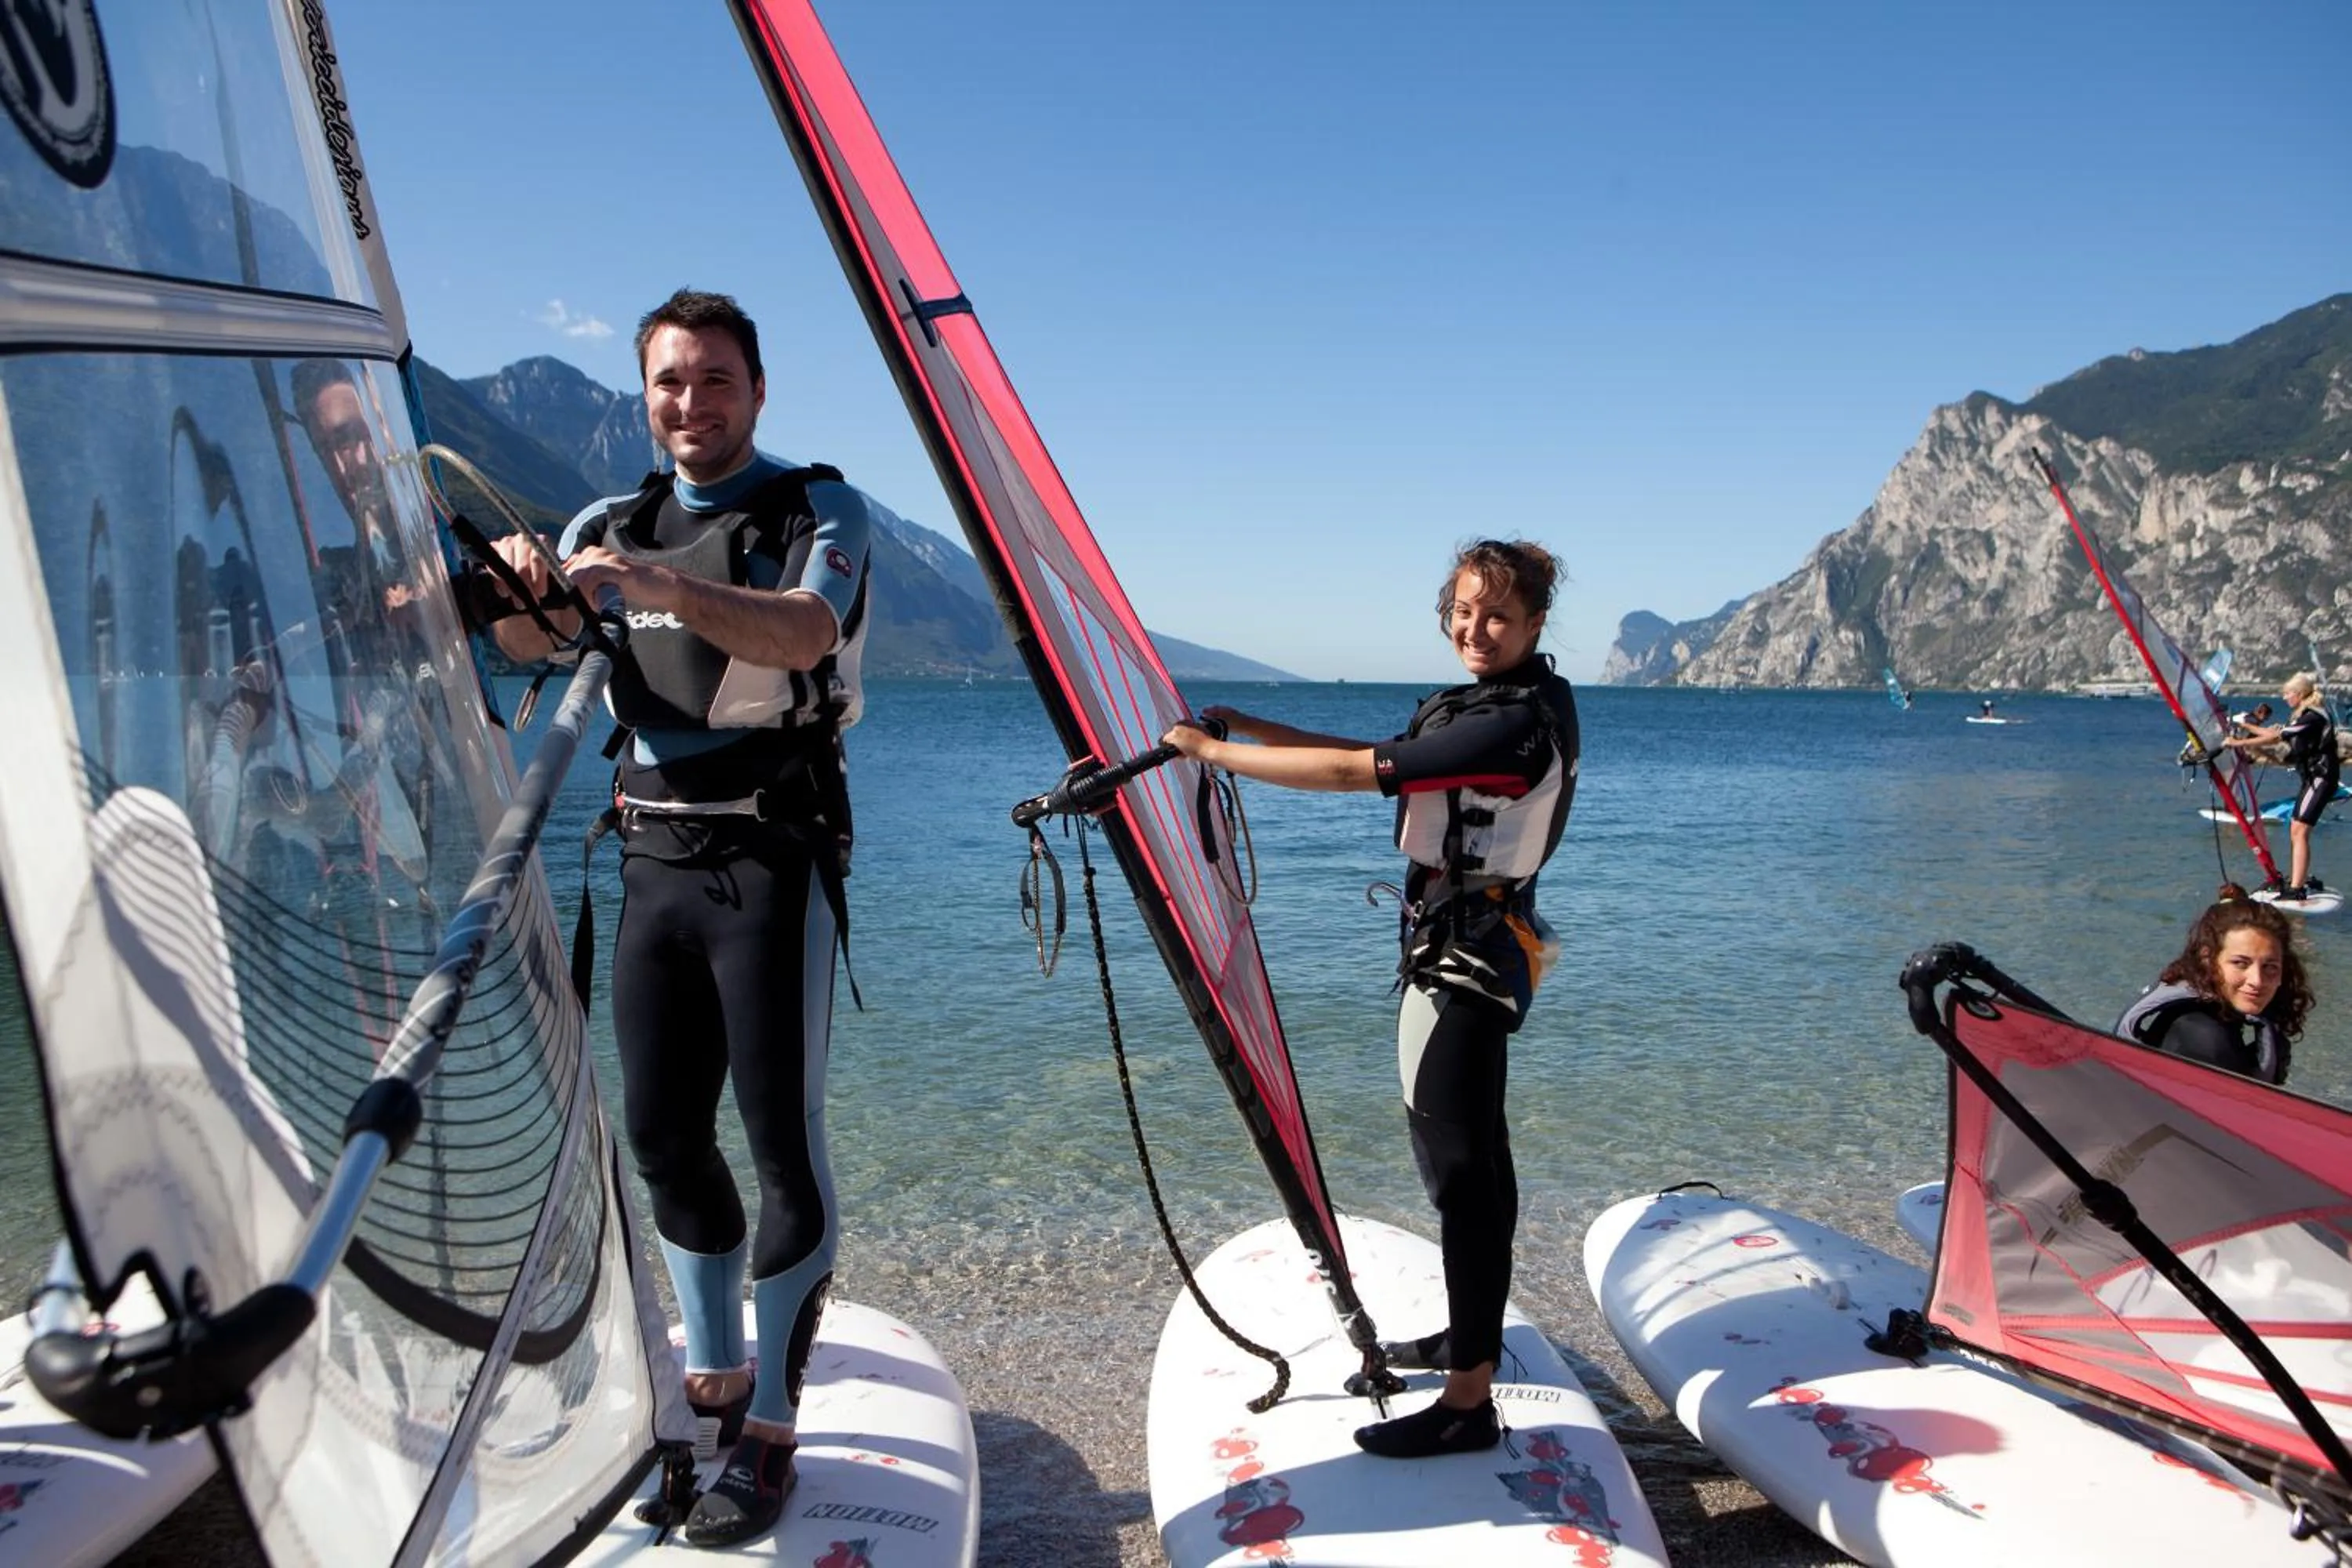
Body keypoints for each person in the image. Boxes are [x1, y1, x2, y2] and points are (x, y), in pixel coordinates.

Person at [482, 289, 874, 1548]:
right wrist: (520, 586)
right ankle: (710, 1375)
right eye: (669, 383)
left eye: (715, 381)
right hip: (651, 855)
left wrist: (647, 583)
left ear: (757, 392)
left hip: (772, 856)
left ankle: (770, 1428)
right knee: (657, 1134)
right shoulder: (609, 522)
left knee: (781, 1144)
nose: (691, 404)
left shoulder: (819, 509)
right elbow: (528, 637)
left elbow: (806, 628)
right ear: (642, 395)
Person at [1163, 538, 1578, 1461]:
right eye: (1464, 610)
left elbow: (1362, 775)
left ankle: (1469, 1404)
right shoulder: (1496, 704)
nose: (1477, 628)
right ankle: (1467, 1345)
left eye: (1499, 615)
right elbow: (1380, 754)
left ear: (1537, 624)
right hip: (1474, 949)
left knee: (1463, 1180)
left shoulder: (1515, 724)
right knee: (1479, 1173)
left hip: (1465, 965)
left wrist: (1211, 752)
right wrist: (1256, 727)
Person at [2114, 894, 2308, 1083]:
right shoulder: (2202, 1039)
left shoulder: (2217, 1014)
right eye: (2240, 963)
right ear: (2208, 960)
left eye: (2270, 967)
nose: (2257, 981)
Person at [2223, 672, 2339, 900]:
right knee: (2296, 829)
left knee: (2300, 829)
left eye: (2287, 693)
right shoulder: (2304, 715)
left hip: (2321, 778)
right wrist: (2245, 725)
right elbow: (2275, 733)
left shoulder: (2313, 717)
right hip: (2313, 778)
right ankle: (2298, 880)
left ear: (2299, 694)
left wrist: (2238, 742)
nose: (2285, 697)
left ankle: (2296, 889)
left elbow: (2276, 738)